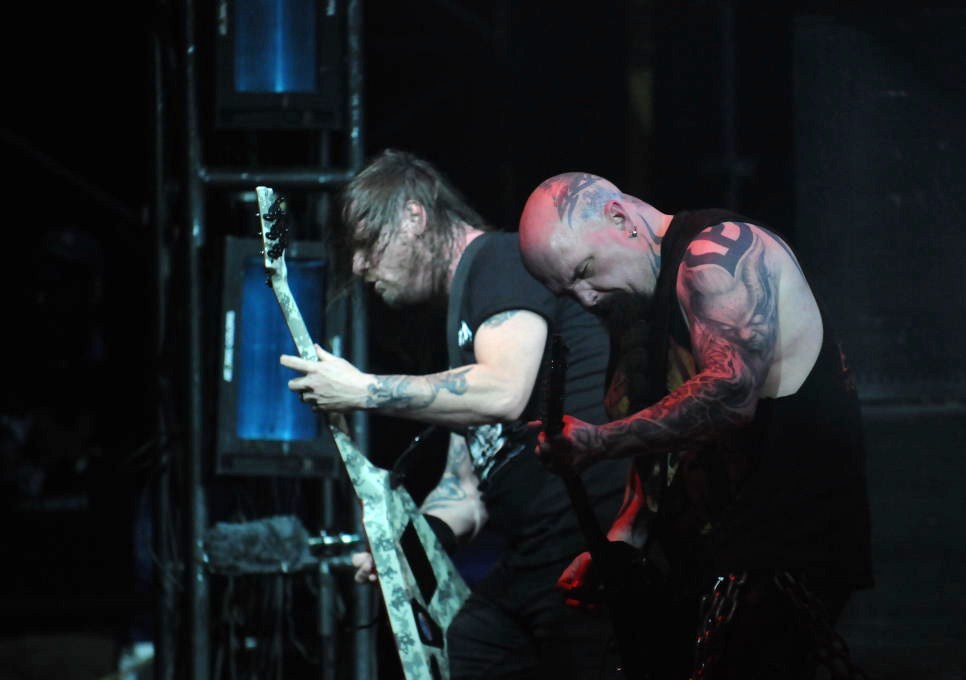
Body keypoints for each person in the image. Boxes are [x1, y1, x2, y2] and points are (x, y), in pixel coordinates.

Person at [280, 151, 630, 679]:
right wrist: (408, 548)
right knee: (469, 646)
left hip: (585, 541)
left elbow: (503, 389)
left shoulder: (497, 259)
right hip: (535, 554)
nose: (358, 265)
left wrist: (364, 389)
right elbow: (464, 491)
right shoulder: (465, 321)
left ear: (414, 216)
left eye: (367, 242)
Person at [517, 172, 873, 679]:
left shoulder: (719, 254)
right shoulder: (634, 309)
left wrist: (597, 442)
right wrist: (622, 542)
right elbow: (663, 450)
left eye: (585, 271)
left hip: (780, 557)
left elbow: (729, 394)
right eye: (567, 291)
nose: (587, 298)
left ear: (620, 217)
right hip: (707, 564)